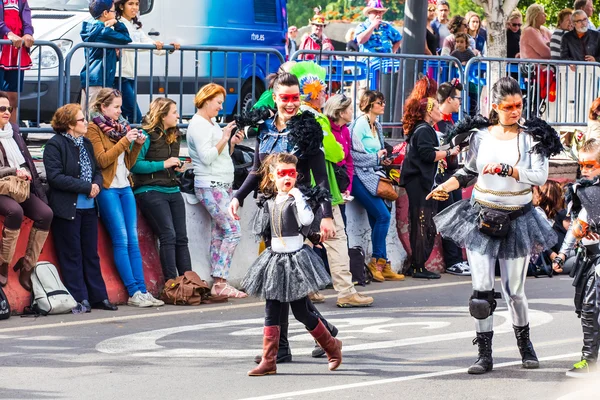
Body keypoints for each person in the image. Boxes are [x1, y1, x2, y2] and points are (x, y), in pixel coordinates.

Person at [428, 77, 562, 375]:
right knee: (481, 293)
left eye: (519, 106)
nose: (515, 112)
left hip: (518, 217)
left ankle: (525, 345)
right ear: (495, 106)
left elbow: (539, 177)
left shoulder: (532, 137)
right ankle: (484, 353)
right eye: (508, 107)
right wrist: (445, 187)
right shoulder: (479, 136)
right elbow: (468, 170)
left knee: (515, 291)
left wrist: (510, 170)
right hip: (481, 215)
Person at [229, 71, 339, 366]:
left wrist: (325, 215)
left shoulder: (309, 129)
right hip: (268, 209)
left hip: (297, 210)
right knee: (278, 281)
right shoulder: (264, 129)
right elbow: (256, 170)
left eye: (295, 99)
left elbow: (321, 180)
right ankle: (290, 345)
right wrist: (238, 196)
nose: (291, 105)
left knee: (287, 279)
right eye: (285, 99)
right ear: (275, 98)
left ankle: (317, 336)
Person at [243, 153, 342, 377]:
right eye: (282, 173)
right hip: (275, 260)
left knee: (301, 312)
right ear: (272, 175)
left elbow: (306, 221)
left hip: (295, 260)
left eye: (292, 174)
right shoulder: (268, 202)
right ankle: (269, 361)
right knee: (271, 312)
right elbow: (264, 232)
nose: (287, 178)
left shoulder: (298, 199)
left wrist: (297, 194)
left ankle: (332, 347)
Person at [290, 61, 380, 305]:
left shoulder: (291, 116)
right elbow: (335, 152)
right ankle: (346, 292)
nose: (325, 94)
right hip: (319, 187)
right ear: (315, 93)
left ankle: (306, 288)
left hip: (295, 188)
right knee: (336, 237)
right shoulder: (316, 118)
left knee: (304, 238)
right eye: (322, 90)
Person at [85, 88, 164, 308]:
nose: (120, 111)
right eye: (116, 107)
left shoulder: (122, 128)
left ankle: (142, 290)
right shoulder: (94, 129)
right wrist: (124, 142)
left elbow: (128, 163)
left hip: (125, 186)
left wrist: (136, 145)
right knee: (121, 239)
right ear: (103, 107)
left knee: (133, 240)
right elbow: (101, 160)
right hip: (109, 188)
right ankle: (133, 291)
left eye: (120, 106)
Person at [43, 103, 117, 312]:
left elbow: (96, 170)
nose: (86, 122)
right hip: (68, 209)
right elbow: (55, 177)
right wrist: (87, 186)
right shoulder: (55, 145)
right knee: (72, 254)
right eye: (81, 119)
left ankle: (98, 296)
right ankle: (79, 297)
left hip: (90, 207)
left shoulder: (85, 143)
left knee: (91, 253)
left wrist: (96, 185)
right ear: (68, 124)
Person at [187, 83, 246, 298]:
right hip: (211, 185)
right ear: (206, 99)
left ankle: (219, 281)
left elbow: (220, 155)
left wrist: (230, 143)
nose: (221, 107)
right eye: (218, 102)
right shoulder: (198, 125)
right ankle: (220, 281)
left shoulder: (209, 123)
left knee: (221, 232)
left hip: (220, 184)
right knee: (233, 231)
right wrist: (224, 137)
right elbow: (207, 157)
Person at [130, 98, 192, 282]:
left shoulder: (175, 135)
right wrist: (163, 163)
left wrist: (176, 167)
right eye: (174, 112)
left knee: (182, 237)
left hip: (172, 189)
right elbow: (134, 164)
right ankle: (172, 283)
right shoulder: (146, 135)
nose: (178, 116)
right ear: (163, 115)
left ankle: (189, 282)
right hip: (150, 190)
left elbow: (169, 163)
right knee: (168, 235)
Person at [552, 139, 600, 377]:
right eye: (582, 165)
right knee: (588, 308)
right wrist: (562, 253)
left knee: (593, 306)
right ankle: (589, 359)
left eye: (591, 165)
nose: (586, 170)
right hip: (589, 258)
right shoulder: (581, 191)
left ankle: (590, 360)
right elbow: (576, 227)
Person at [400, 97, 459, 280]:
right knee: (422, 223)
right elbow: (428, 155)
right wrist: (449, 152)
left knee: (424, 223)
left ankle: (418, 265)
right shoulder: (424, 129)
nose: (439, 111)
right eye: (436, 108)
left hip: (421, 182)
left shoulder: (425, 129)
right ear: (428, 111)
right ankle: (418, 266)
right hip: (419, 183)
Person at [0, 92, 52, 291]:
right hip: (2, 187)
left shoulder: (13, 130)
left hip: (20, 186)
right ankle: (3, 264)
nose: (6, 112)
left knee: (46, 214)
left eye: (9, 109)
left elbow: (27, 159)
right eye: (2, 109)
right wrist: (15, 171)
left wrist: (33, 179)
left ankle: (27, 265)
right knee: (16, 212)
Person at [350, 91, 398, 281]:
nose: (383, 105)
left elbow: (376, 155)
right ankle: (376, 261)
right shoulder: (359, 125)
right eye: (380, 102)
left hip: (373, 175)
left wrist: (382, 160)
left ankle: (383, 263)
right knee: (383, 216)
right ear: (369, 105)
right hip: (359, 177)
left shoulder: (376, 125)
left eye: (383, 102)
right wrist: (375, 158)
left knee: (377, 219)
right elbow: (353, 156)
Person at [114, 0, 180, 123]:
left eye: (137, 4)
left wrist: (167, 48)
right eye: (130, 4)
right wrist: (154, 45)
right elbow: (129, 44)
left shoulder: (134, 26)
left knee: (125, 114)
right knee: (134, 114)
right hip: (118, 75)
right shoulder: (118, 25)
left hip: (129, 75)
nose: (135, 7)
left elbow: (147, 42)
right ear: (121, 6)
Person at [435, 80, 470, 276]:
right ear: (448, 99)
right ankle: (452, 260)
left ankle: (458, 258)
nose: (459, 102)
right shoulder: (438, 121)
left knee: (458, 215)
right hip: (442, 175)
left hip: (454, 173)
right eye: (457, 98)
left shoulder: (449, 121)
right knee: (449, 216)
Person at [80, 0, 131, 113]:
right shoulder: (105, 32)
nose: (115, 15)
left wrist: (115, 55)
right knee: (96, 116)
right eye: (114, 11)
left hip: (90, 77)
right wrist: (117, 23)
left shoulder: (90, 28)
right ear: (105, 13)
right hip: (100, 77)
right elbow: (126, 38)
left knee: (87, 116)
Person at [0, 0, 34, 124]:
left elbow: (26, 15)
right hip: (3, 45)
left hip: (15, 49)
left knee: (12, 97)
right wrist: (8, 33)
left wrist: (28, 33)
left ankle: (13, 134)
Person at [324, 94, 355, 220]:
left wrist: (347, 187)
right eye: (351, 109)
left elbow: (349, 161)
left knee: (342, 221)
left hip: (341, 184)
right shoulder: (326, 130)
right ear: (341, 113)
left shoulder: (346, 130)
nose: (353, 112)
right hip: (328, 184)